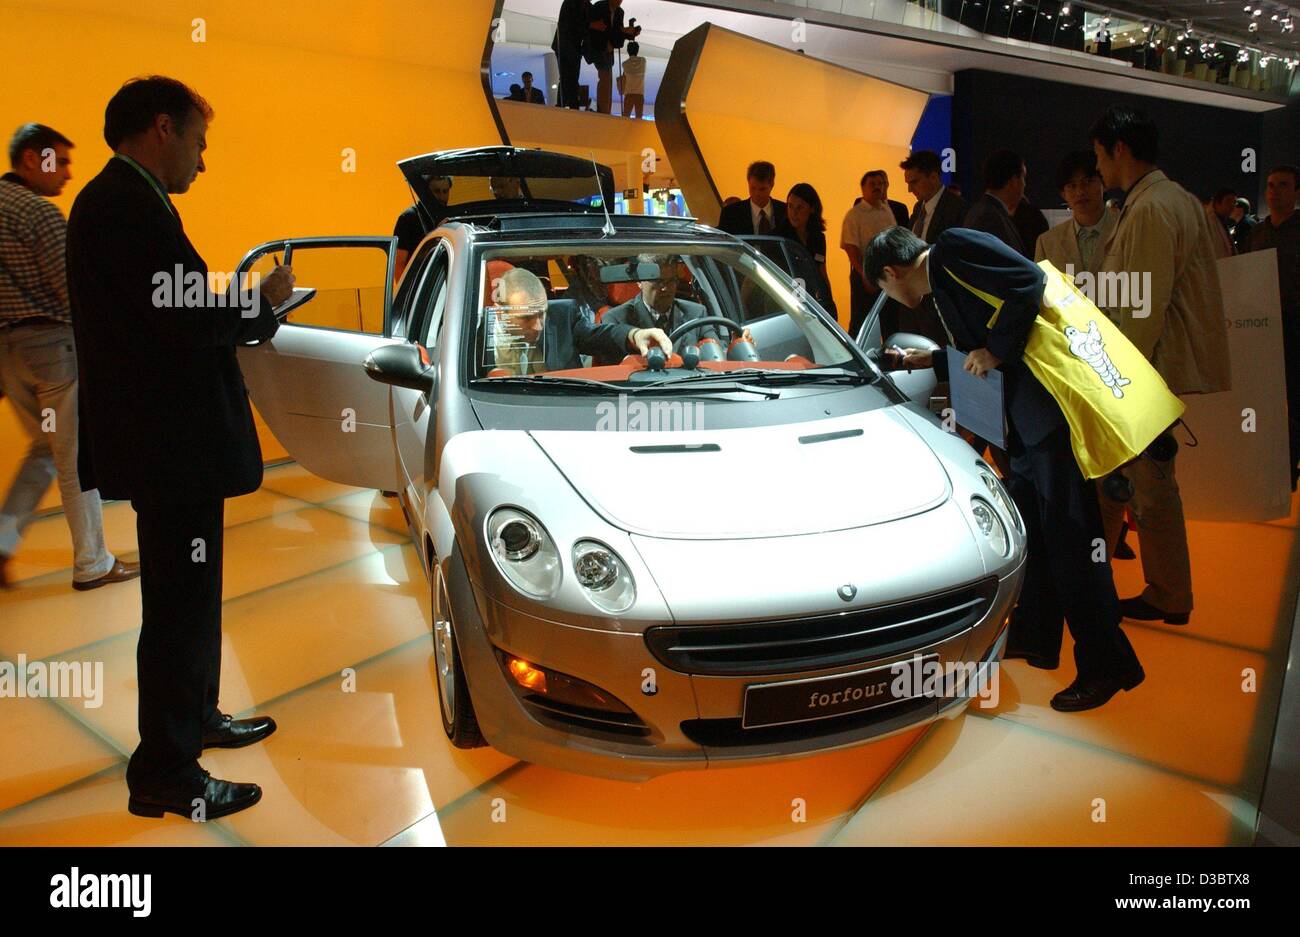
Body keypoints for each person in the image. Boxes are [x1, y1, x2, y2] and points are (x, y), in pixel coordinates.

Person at [66, 76, 296, 819]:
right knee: (176, 611)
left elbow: (171, 300)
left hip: (171, 449)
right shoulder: (122, 205)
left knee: (191, 601)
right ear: (161, 128)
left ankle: (195, 717)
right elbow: (179, 309)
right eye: (198, 142)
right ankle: (165, 768)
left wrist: (241, 306)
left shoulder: (123, 201)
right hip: (170, 449)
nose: (204, 161)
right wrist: (257, 304)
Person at [865, 225, 1145, 711]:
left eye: (884, 288)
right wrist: (930, 358)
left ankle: (1108, 664)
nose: (891, 296)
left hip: (1045, 423)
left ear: (890, 273)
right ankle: (1036, 639)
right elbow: (980, 344)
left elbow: (1027, 283)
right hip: (1022, 428)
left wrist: (994, 347)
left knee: (1074, 543)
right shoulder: (944, 281)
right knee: (1035, 533)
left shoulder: (951, 247)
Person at [1091, 104, 1231, 626]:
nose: (1098, 168)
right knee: (1132, 484)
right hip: (1148, 367)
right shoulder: (1169, 200)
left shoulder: (1152, 208)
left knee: (1149, 487)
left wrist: (1118, 381)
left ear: (1120, 150)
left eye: (1100, 156)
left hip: (1143, 370)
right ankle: (1129, 583)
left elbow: (1143, 309)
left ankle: (1169, 593)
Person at [0, 123, 139, 590]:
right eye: (57, 161)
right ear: (27, 161)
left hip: (8, 355)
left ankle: (1, 543)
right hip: (53, 351)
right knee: (75, 456)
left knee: (43, 450)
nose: (66, 172)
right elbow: (71, 290)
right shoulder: (39, 213)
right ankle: (92, 563)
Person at [486, 266, 669, 374]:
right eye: (526, 318)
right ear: (500, 312)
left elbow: (600, 335)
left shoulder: (562, 316)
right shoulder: (471, 336)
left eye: (542, 313)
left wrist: (635, 335)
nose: (539, 325)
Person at [1248, 165, 1300, 488]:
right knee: (1263, 398)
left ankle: (1289, 468)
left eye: (1283, 185)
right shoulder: (1257, 233)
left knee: (1294, 398)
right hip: (1261, 325)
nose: (1275, 191)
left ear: (1295, 192)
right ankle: (1267, 464)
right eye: (1270, 185)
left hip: (1295, 323)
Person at [600, 254, 732, 362]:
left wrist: (735, 347)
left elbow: (716, 350)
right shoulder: (616, 319)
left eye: (671, 281)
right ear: (639, 281)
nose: (665, 288)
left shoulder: (696, 313)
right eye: (658, 281)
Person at [1034, 150, 1116, 278]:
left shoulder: (1125, 230)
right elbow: (1043, 293)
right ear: (1063, 194)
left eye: (1088, 182)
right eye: (1072, 186)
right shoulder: (1047, 243)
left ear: (1104, 184)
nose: (1080, 192)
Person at [841, 170, 897, 335]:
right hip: (864, 276)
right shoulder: (855, 215)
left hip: (887, 275)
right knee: (861, 322)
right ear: (863, 188)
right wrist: (865, 274)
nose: (877, 187)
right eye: (872, 184)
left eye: (880, 184)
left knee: (889, 321)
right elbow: (851, 248)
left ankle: (890, 357)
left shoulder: (887, 211)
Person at [778, 183, 836, 319]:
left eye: (799, 207)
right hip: (785, 300)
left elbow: (822, 271)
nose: (794, 213)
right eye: (790, 206)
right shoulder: (779, 237)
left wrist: (829, 301)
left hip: (811, 299)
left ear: (812, 209)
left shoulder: (818, 237)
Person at [964, 149, 1027, 256]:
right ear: (1013, 181)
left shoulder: (985, 211)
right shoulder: (989, 217)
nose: (1024, 184)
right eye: (1023, 178)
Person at [394, 174, 451, 281]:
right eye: (437, 191)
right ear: (426, 192)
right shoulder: (408, 218)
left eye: (445, 191)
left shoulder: (451, 216)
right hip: (418, 284)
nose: (442, 197)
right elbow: (399, 263)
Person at [901, 149, 966, 244]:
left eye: (914, 182)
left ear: (934, 177)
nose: (909, 190)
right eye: (908, 183)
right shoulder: (918, 207)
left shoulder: (958, 209)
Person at [587, 0, 640, 115]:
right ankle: (604, 111)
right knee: (605, 78)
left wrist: (629, 33)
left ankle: (605, 110)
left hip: (610, 48)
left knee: (607, 79)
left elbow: (616, 32)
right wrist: (623, 31)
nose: (619, 1)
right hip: (599, 47)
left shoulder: (619, 12)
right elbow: (599, 28)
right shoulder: (600, 6)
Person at [717, 161, 786, 235]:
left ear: (772, 185)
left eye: (762, 189)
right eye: (753, 188)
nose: (757, 193)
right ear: (748, 183)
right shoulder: (731, 214)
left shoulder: (785, 212)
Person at [553, 0, 593, 109]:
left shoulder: (585, 5)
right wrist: (590, 25)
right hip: (565, 45)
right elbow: (571, 24)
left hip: (572, 46)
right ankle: (569, 103)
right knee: (568, 76)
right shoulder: (571, 2)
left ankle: (567, 103)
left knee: (571, 76)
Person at [620, 40, 646, 119]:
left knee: (625, 117)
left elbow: (625, 75)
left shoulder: (624, 64)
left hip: (629, 94)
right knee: (639, 118)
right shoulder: (643, 61)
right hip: (640, 94)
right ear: (637, 50)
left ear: (628, 51)